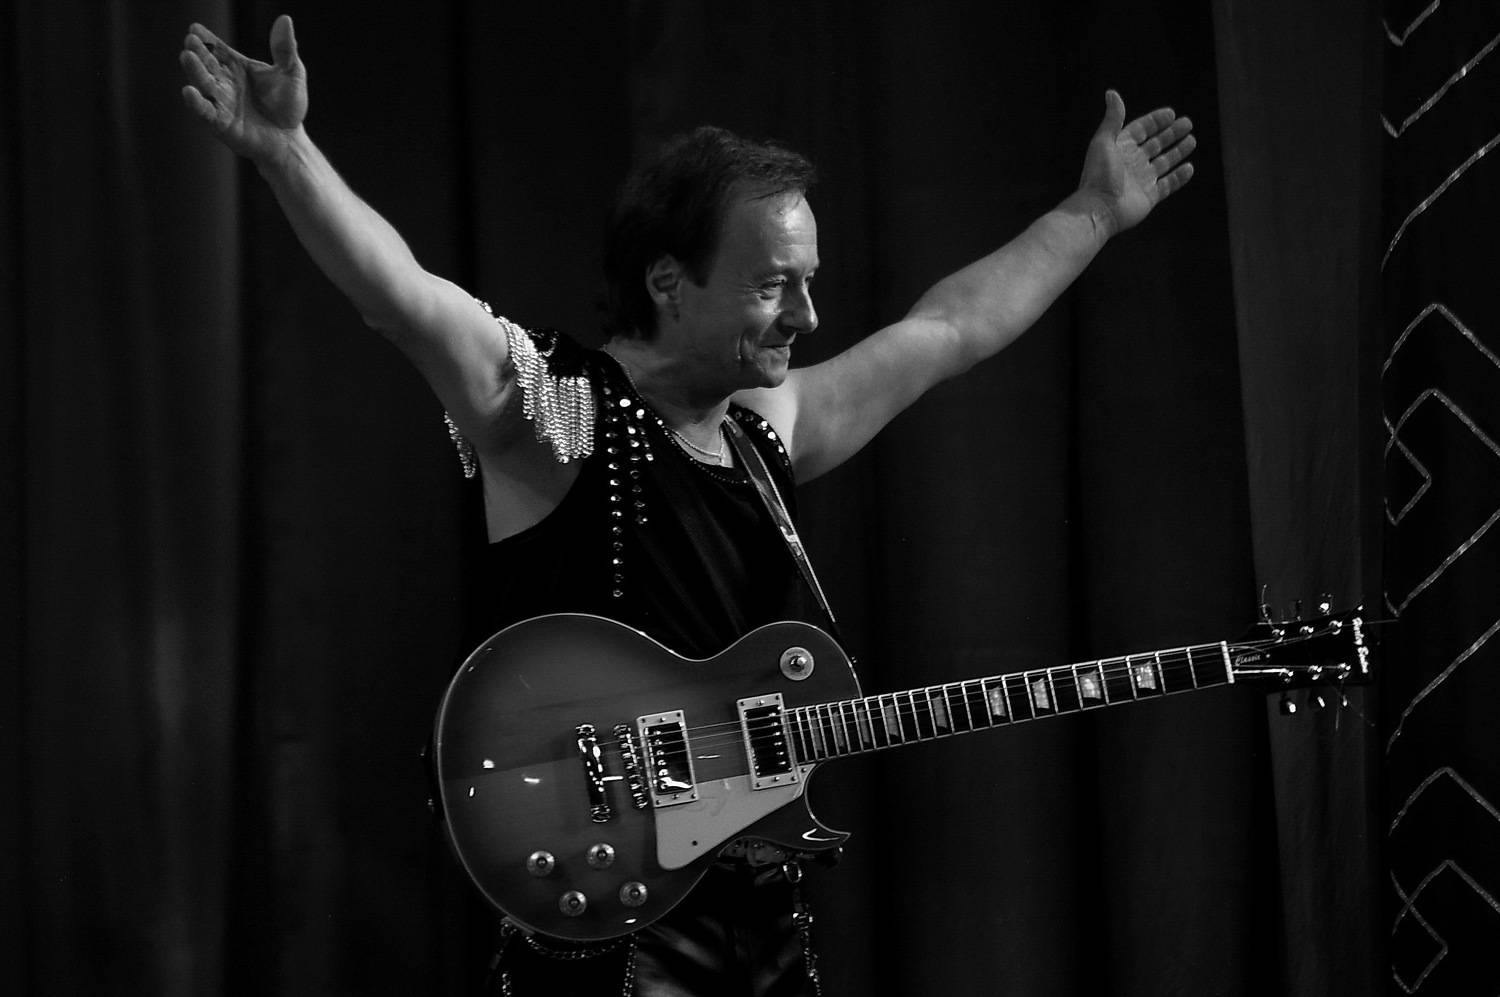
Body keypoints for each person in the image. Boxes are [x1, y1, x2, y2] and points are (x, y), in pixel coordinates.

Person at [179, 14, 1194, 997]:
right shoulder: (555, 411)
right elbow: (400, 296)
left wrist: (1091, 215)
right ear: (670, 281)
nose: (806, 316)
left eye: (809, 283)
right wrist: (288, 151)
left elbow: (950, 331)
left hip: (763, 925)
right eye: (773, 286)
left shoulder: (767, 428)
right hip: (616, 936)